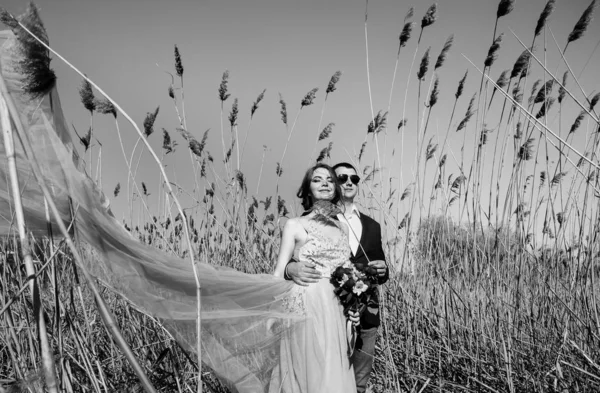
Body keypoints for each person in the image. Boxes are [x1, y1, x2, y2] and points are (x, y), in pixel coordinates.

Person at [285, 162, 389, 393]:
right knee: (319, 375)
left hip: (365, 312)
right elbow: (299, 257)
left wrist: (382, 270)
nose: (349, 182)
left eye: (355, 178)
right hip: (323, 309)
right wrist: (289, 270)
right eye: (341, 178)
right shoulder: (309, 220)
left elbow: (381, 268)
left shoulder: (373, 225)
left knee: (357, 383)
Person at [270, 163, 358, 393]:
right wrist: (272, 313)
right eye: (317, 180)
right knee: (311, 369)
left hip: (337, 309)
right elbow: (278, 273)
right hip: (306, 306)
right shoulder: (294, 225)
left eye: (329, 179)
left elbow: (346, 272)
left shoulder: (343, 228)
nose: (325, 183)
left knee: (334, 371)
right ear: (307, 190)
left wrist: (353, 304)